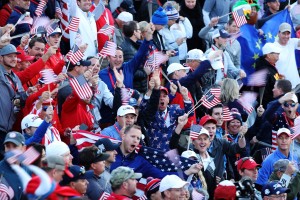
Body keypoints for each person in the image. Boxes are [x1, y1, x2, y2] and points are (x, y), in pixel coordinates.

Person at [111, 124, 202, 179]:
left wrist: (188, 172)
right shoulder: (109, 153)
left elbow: (163, 176)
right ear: (123, 136)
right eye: (133, 136)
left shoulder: (140, 161)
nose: (135, 140)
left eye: (138, 138)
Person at [0, 44, 29, 151]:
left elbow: (19, 99)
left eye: (15, 56)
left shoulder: (15, 77)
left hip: (7, 128)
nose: (14, 59)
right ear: (1, 58)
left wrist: (27, 93)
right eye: (9, 56)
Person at [254, 42, 282, 109]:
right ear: (269, 55)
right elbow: (264, 93)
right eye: (276, 53)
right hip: (268, 106)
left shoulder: (270, 67)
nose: (278, 54)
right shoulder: (263, 70)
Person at [0, 131, 26, 199]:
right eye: (8, 146)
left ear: (23, 148)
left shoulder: (28, 170)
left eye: (15, 146)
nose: (11, 150)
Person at [274, 22, 300, 89]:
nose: (286, 36)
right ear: (278, 33)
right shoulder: (272, 47)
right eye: (283, 33)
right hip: (282, 88)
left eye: (288, 34)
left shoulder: (292, 42)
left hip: (296, 84)